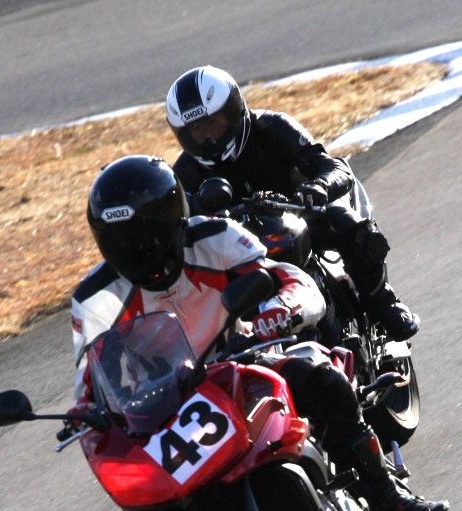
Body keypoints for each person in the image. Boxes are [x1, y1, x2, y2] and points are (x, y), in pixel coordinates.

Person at [71, 154, 447, 511]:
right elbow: (88, 380)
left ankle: (390, 501)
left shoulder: (215, 236)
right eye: (121, 241)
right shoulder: (94, 298)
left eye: (146, 234)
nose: (138, 250)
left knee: (322, 378)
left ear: (173, 219)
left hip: (247, 366)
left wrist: (276, 314)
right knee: (146, 506)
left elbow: (292, 280)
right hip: (171, 407)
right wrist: (83, 414)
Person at [164, 65, 420, 342]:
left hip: (303, 215)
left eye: (213, 123)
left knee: (355, 230)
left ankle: (382, 301)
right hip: (237, 244)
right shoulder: (185, 172)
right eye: (197, 129)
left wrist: (318, 187)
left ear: (233, 112)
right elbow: (176, 222)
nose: (208, 136)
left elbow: (334, 167)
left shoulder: (272, 127)